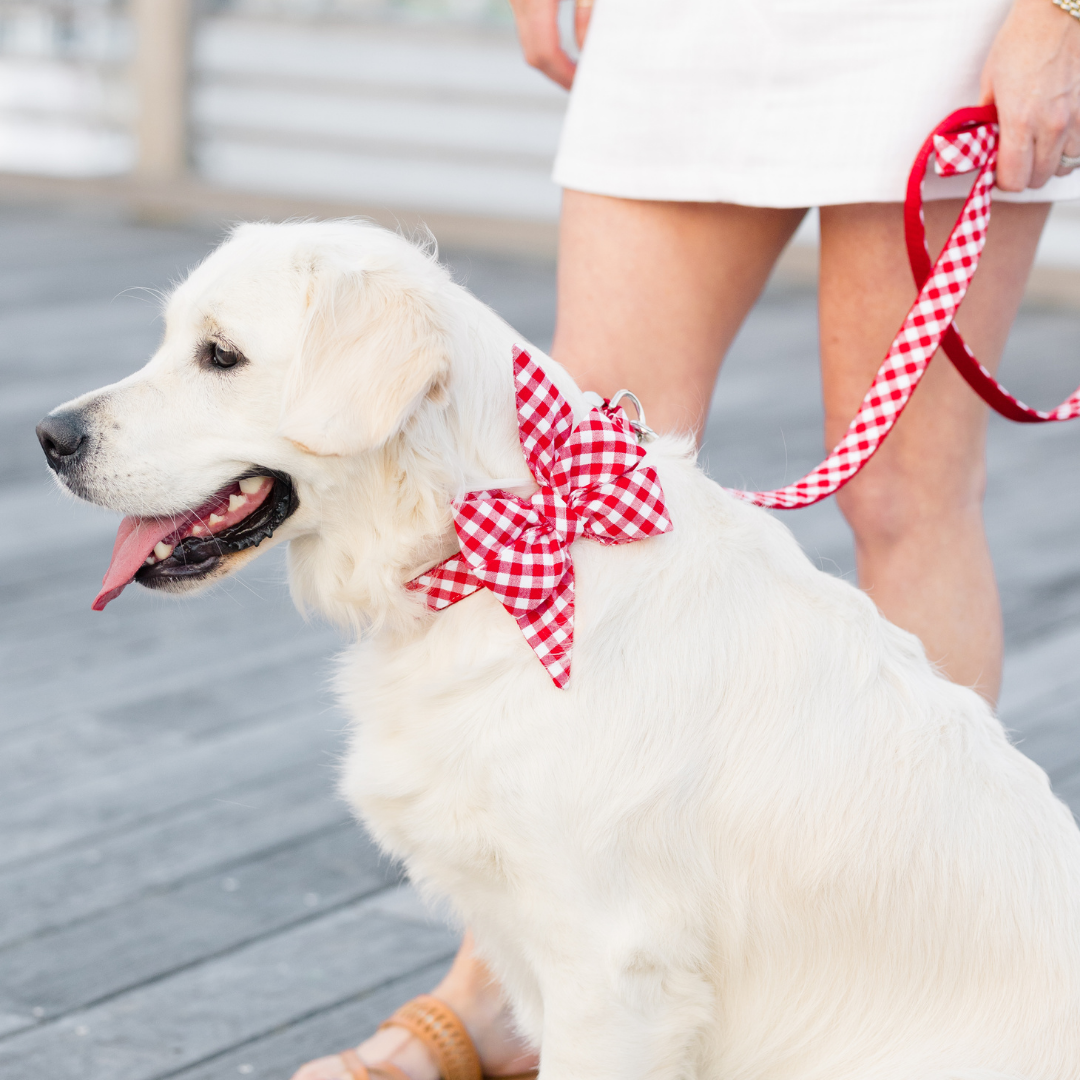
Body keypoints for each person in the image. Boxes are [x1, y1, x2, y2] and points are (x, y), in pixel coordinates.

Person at [294, 0, 1080, 1076]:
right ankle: (503, 991)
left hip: (946, 25)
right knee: (566, 462)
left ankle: (886, 978)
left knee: (907, 498)